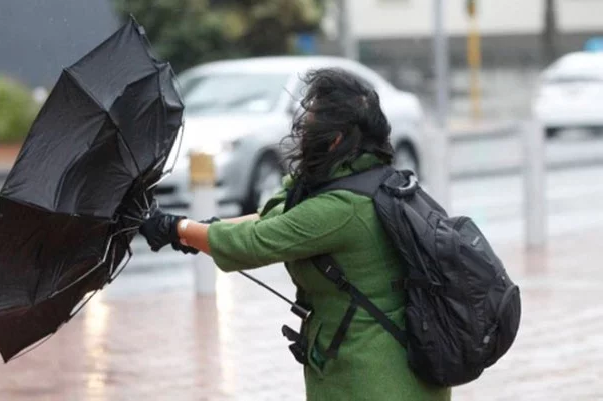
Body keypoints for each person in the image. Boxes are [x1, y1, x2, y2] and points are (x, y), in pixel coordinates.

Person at [138, 68, 451, 401]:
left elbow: (254, 243)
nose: (303, 131)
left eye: (313, 123)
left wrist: (177, 228)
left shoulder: (343, 207)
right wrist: (195, 230)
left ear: (336, 138)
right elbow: (272, 218)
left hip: (375, 379)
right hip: (389, 370)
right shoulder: (370, 179)